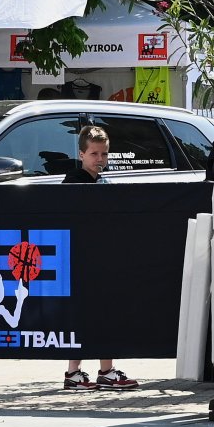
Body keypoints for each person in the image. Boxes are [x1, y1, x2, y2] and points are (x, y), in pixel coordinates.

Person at [61, 126, 139, 392]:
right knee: (84, 316)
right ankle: (73, 373)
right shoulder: (73, 182)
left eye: (104, 154)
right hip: (81, 262)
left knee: (104, 314)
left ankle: (106, 370)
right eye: (94, 153)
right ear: (81, 153)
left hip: (103, 261)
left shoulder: (104, 183)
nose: (100, 159)